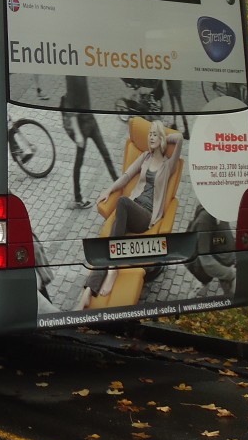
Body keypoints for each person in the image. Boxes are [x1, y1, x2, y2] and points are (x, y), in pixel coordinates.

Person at [78, 119, 183, 309]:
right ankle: (87, 292)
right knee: (108, 243)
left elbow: (180, 138)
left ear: (161, 139)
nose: (150, 137)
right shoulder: (144, 157)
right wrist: (109, 190)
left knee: (122, 203)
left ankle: (113, 270)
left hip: (145, 216)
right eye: (149, 134)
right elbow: (126, 176)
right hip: (132, 208)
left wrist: (165, 137)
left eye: (154, 134)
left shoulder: (169, 165)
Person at [60, 75, 117, 209]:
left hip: (91, 120)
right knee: (79, 162)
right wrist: (78, 134)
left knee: (105, 153)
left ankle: (117, 183)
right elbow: (70, 106)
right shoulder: (72, 77)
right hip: (82, 126)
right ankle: (78, 198)